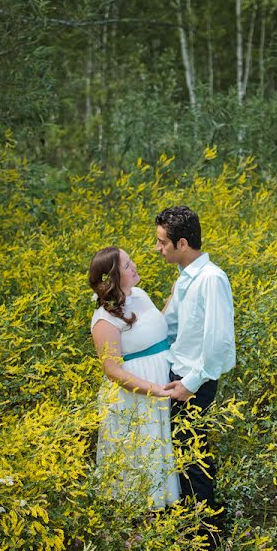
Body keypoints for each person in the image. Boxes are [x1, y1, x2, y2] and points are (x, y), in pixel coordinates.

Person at [155, 206, 235, 527]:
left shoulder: (212, 279)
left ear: (183, 244)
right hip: (177, 377)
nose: (158, 248)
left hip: (195, 382)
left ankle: (206, 543)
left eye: (162, 242)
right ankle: (191, 529)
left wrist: (190, 383)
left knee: (192, 460)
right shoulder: (185, 278)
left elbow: (219, 344)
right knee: (182, 456)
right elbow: (171, 326)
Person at [89, 246, 181, 510]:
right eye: (128, 266)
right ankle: (137, 527)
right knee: (141, 455)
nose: (135, 266)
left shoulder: (139, 294)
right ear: (113, 278)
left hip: (160, 380)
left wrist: (173, 297)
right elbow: (112, 370)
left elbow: (153, 329)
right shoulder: (104, 319)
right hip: (136, 395)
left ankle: (164, 516)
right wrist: (154, 389)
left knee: (163, 449)